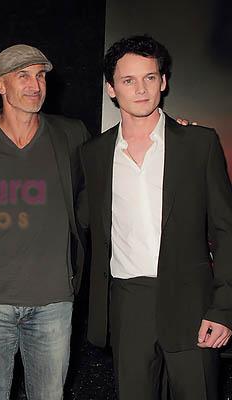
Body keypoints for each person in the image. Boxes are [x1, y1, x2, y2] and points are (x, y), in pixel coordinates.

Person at [81, 35, 232, 400]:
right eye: (128, 80)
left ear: (163, 82)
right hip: (128, 304)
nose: (141, 89)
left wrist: (224, 307)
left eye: (150, 77)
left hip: (192, 304)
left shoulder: (199, 144)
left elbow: (227, 230)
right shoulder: (94, 154)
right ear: (111, 89)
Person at [0, 45, 89, 399]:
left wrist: (172, 129)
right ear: (0, 84)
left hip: (54, 302)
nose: (35, 84)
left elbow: (110, 171)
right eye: (23, 75)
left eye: (41, 75)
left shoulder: (72, 135)